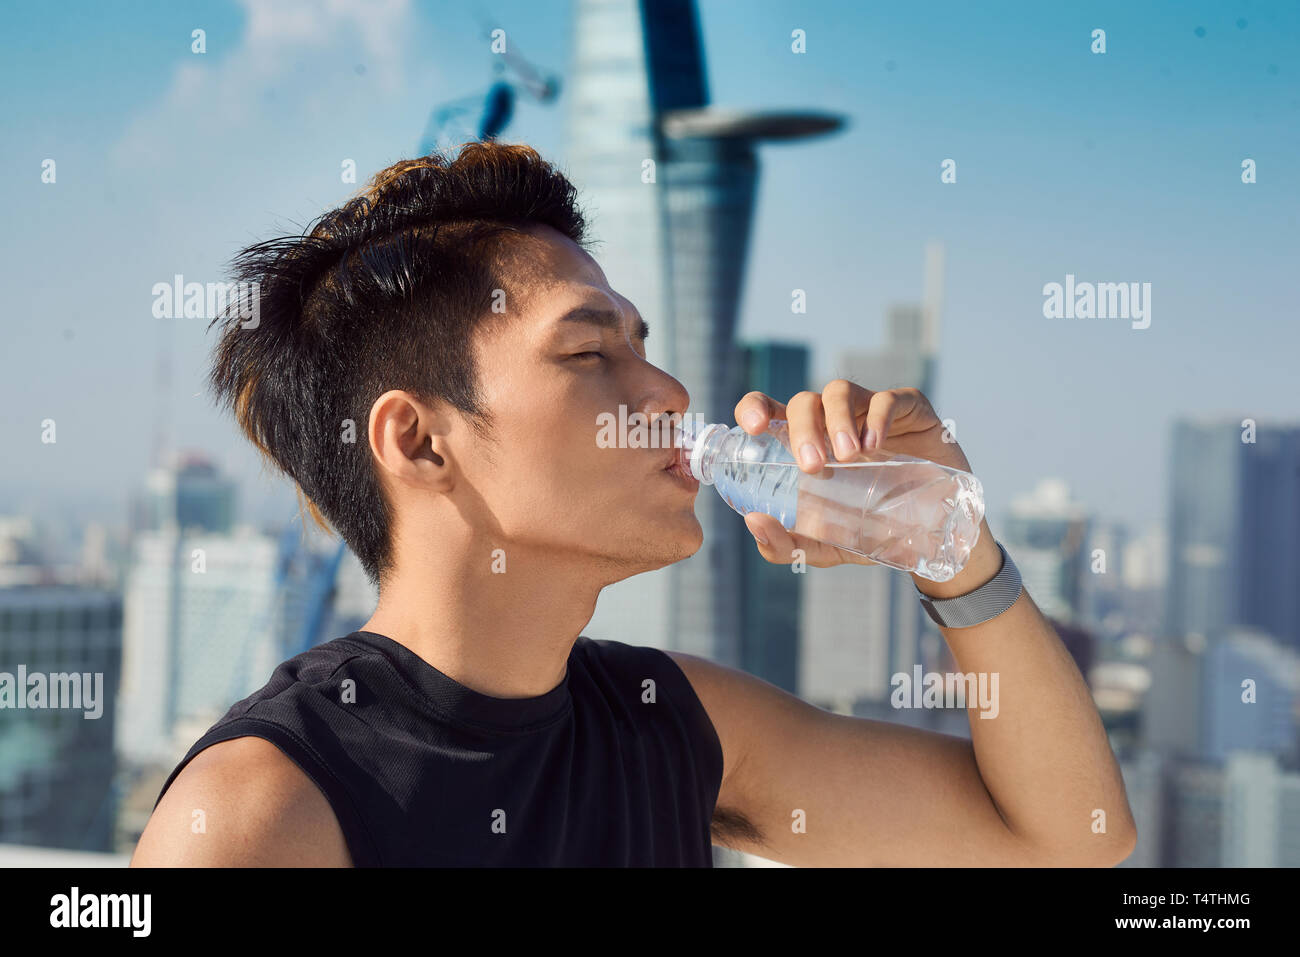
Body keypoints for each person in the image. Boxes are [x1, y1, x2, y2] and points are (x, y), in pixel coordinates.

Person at [131, 142, 1136, 867]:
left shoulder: (672, 725)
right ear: (419, 441)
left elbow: (1062, 838)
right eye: (588, 353)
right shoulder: (266, 813)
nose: (665, 395)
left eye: (644, 346)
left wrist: (947, 546)